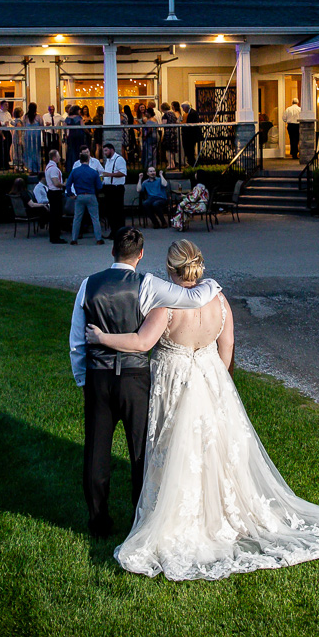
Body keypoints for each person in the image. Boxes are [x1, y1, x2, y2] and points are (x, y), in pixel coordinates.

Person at [83, 238, 319, 578]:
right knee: (214, 448)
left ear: (171, 270)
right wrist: (220, 380)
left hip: (175, 379)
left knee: (177, 447)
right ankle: (222, 509)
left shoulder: (166, 306)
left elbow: (142, 343)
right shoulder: (219, 300)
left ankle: (176, 513)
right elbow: (227, 345)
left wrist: (102, 338)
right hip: (211, 377)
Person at [67, 229, 225, 539]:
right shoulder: (148, 285)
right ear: (140, 255)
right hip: (135, 379)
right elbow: (192, 297)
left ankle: (98, 520)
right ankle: (141, 519)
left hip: (99, 378)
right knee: (141, 450)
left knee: (96, 450)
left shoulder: (88, 285)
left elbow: (76, 340)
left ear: (112, 251)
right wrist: (212, 284)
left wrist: (83, 379)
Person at [69, 148, 104, 245]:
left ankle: (74, 239)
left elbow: (68, 184)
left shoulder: (75, 171)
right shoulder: (93, 172)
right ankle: (98, 238)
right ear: (88, 160)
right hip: (91, 195)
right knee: (95, 218)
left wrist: (71, 194)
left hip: (79, 196)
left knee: (77, 218)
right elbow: (99, 186)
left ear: (80, 160)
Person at [98, 141, 127, 238]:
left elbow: (123, 173)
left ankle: (120, 232)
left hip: (116, 188)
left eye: (106, 151)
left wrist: (109, 175)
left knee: (117, 211)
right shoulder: (108, 161)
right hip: (108, 188)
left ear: (111, 150)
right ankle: (113, 232)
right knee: (110, 211)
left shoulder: (119, 159)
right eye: (104, 151)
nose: (105, 153)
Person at [44, 149, 67, 244]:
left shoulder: (48, 167)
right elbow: (56, 183)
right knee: (56, 215)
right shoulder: (53, 168)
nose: (60, 157)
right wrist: (64, 184)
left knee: (54, 215)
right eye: (58, 156)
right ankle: (55, 236)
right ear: (54, 157)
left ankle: (54, 235)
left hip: (52, 192)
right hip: (55, 193)